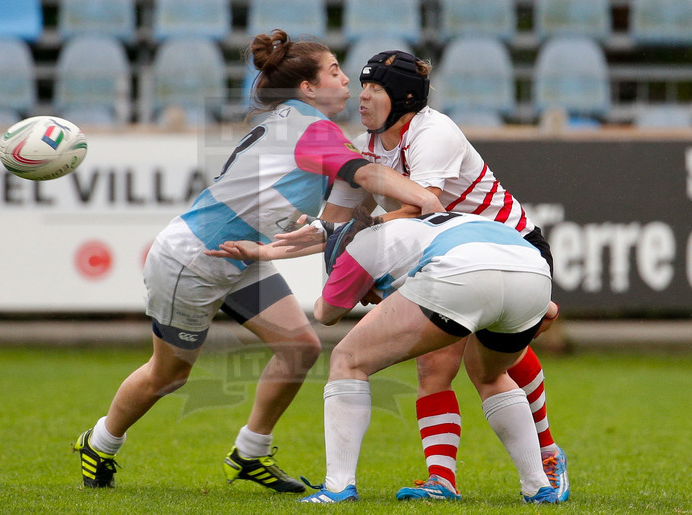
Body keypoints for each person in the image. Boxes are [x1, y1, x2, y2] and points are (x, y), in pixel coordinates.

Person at [71, 30, 442, 493]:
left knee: (300, 348)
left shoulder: (298, 123)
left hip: (239, 256)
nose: (347, 80)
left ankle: (250, 452)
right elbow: (365, 175)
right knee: (169, 375)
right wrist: (427, 198)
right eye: (334, 71)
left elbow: (335, 219)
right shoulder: (310, 129)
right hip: (193, 258)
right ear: (308, 88)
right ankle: (100, 442)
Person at [277, 49, 568, 502]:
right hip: (447, 256)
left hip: (513, 246)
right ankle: (442, 480)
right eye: (363, 85)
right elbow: (337, 223)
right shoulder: (365, 144)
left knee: (481, 364)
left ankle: (547, 453)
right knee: (438, 364)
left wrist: (360, 244)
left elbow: (421, 207)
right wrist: (284, 243)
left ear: (405, 99)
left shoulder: (433, 132)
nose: (362, 96)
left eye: (375, 88)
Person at [298, 208, 559, 504]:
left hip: (460, 273)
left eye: (361, 296)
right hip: (534, 273)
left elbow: (327, 314)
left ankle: (337, 486)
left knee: (346, 360)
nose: (365, 302)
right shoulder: (419, 231)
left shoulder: (355, 249)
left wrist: (336, 285)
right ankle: (538, 486)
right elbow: (549, 311)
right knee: (492, 376)